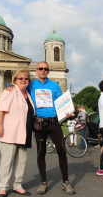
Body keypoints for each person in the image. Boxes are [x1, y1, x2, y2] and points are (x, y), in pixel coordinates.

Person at [30, 61, 75, 195]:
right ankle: (43, 182)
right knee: (41, 152)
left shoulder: (54, 85)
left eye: (45, 69)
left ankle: (65, 181)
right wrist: (9, 86)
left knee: (61, 150)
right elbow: (19, 91)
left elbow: (61, 103)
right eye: (41, 68)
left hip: (53, 122)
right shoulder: (31, 85)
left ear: (48, 71)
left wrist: (68, 112)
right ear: (36, 70)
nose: (43, 70)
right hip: (39, 123)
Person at [0, 69, 35, 197]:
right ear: (15, 81)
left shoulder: (28, 95)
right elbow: (0, 110)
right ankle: (3, 187)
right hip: (10, 132)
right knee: (7, 161)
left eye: (26, 78)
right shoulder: (10, 92)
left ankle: (17, 185)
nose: (23, 80)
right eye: (20, 78)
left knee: (21, 162)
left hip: (25, 133)